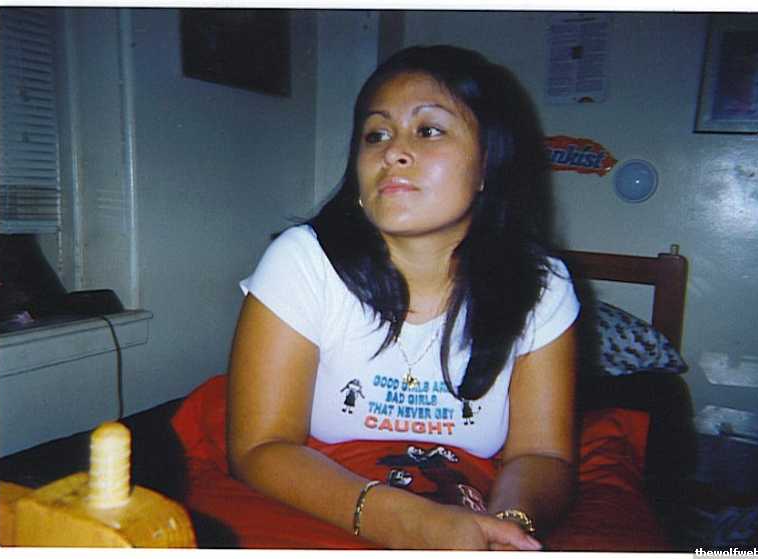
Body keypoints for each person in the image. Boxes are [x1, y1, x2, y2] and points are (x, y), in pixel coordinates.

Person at [227, 44, 579, 551]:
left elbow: (542, 455)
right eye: (376, 134)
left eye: (429, 130)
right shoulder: (302, 261)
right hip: (322, 505)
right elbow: (260, 447)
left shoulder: (542, 284)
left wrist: (506, 528)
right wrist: (410, 523)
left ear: (487, 164)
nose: (392, 152)